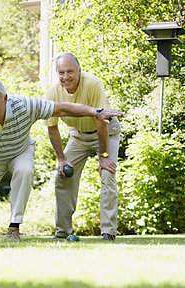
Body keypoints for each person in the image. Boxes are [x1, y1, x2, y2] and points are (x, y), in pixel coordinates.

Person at [0, 77, 123, 242]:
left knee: (24, 170)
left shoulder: (24, 105)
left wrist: (96, 112)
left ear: (5, 99)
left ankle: (14, 227)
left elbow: (62, 108)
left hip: (20, 151)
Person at [45, 53, 122, 241]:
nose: (65, 77)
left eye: (70, 71)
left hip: (106, 132)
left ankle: (108, 232)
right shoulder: (53, 92)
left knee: (107, 174)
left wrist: (104, 155)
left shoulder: (92, 83)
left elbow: (102, 120)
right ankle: (62, 232)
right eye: (61, 72)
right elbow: (52, 127)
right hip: (79, 136)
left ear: (79, 71)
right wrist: (61, 159)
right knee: (62, 176)